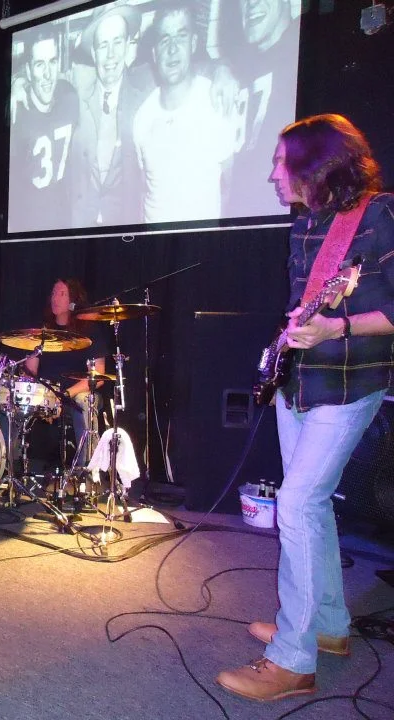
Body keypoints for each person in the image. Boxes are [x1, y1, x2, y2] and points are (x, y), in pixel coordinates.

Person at [216, 115, 394, 701]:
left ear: (317, 165)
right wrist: (292, 341)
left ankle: (293, 660)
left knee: (296, 505)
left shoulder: (379, 215)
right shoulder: (305, 225)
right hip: (297, 384)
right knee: (310, 509)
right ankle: (328, 627)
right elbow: (303, 307)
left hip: (349, 386)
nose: (273, 174)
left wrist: (337, 326)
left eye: (280, 162)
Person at [133, 1, 238, 223]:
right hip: (153, 241)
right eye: (164, 39)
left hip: (202, 240)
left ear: (193, 43)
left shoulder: (216, 102)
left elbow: (231, 185)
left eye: (181, 36)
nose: (172, 49)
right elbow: (143, 190)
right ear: (154, 53)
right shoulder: (142, 117)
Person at [220, 0, 301, 218]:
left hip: (291, 221)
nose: (251, 4)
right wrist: (221, 66)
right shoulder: (241, 62)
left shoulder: (308, 50)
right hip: (238, 219)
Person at [70, 3, 146, 226]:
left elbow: (190, 69)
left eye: (117, 42)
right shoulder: (78, 88)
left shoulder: (145, 90)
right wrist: (18, 82)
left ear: (128, 45)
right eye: (103, 45)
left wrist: (223, 70)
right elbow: (45, 82)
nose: (111, 55)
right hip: (80, 226)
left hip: (123, 229)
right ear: (94, 54)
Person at [23, 279, 109, 471]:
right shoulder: (42, 330)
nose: (55, 298)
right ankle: (9, 467)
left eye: (62, 293)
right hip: (46, 394)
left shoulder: (89, 331)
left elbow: (98, 375)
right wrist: (41, 395)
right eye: (54, 293)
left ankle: (86, 471)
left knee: (85, 401)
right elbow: (30, 373)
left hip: (75, 393)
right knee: (11, 400)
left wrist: (65, 395)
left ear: (74, 300)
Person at [8, 26, 81, 233]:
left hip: (64, 225)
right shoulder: (16, 115)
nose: (48, 74)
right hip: (26, 231)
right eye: (40, 64)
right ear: (29, 70)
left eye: (52, 61)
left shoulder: (69, 96)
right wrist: (16, 82)